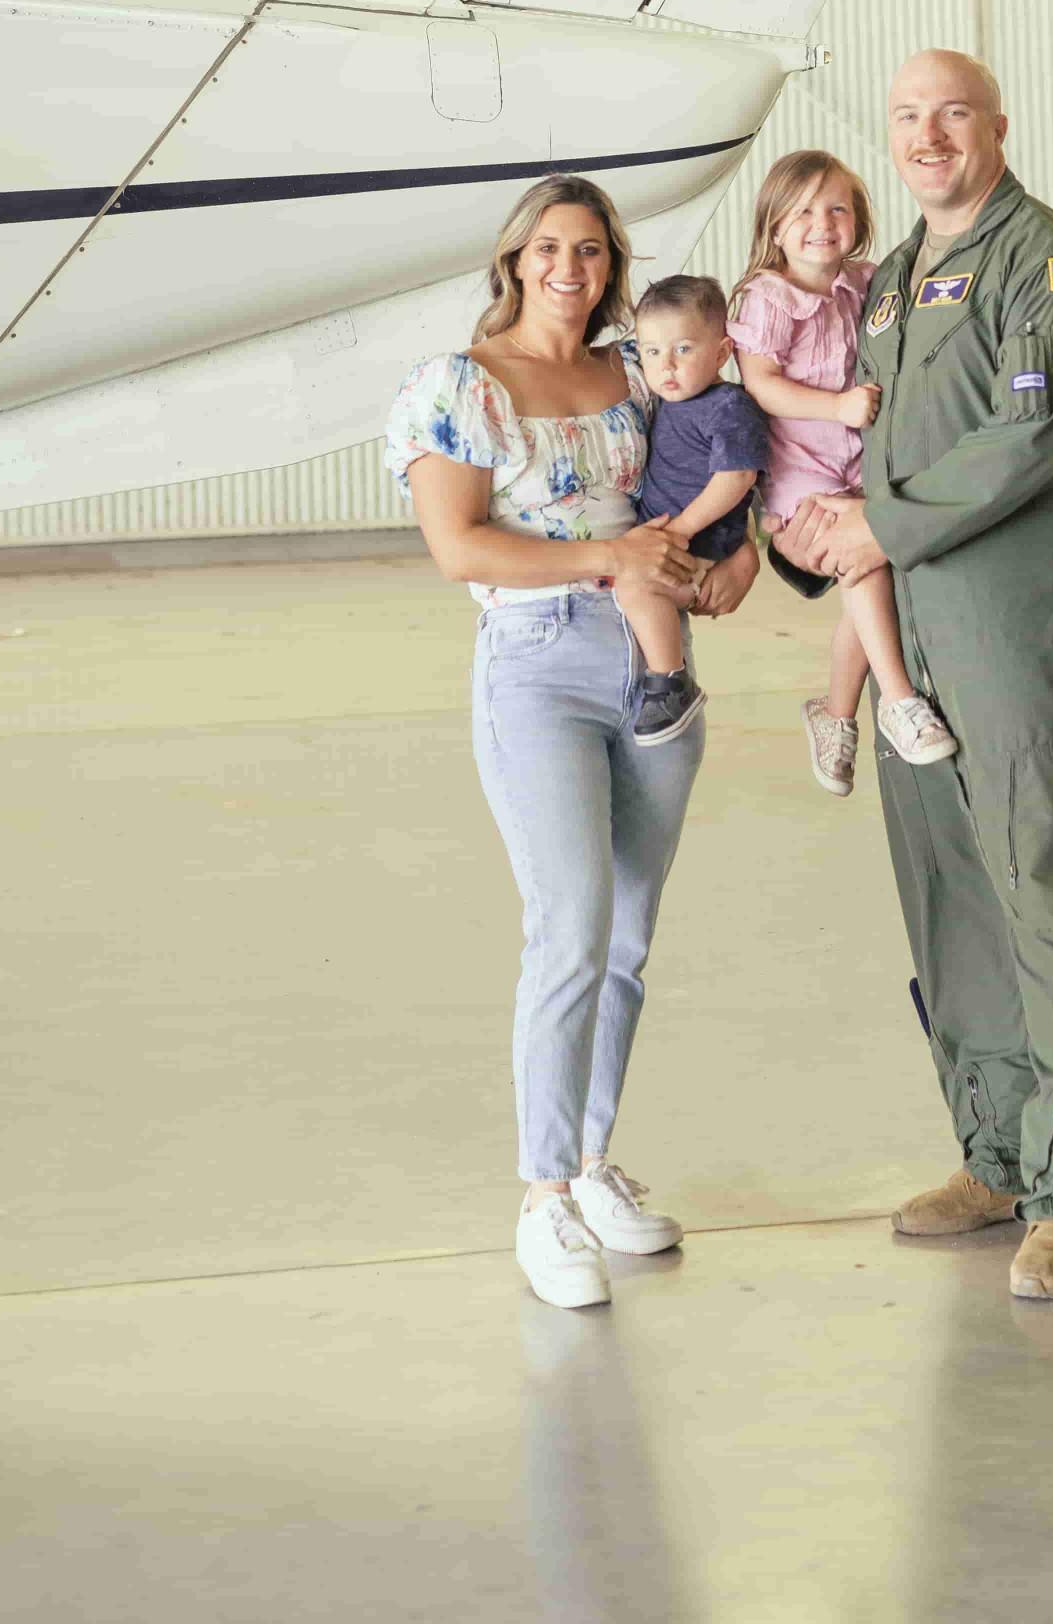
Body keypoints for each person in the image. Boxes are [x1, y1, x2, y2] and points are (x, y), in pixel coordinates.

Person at [788, 52, 1053, 1305]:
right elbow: (854, 431)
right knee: (949, 886)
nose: (926, 135)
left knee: (1048, 875)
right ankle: (994, 1155)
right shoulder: (890, 285)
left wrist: (882, 526)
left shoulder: (1049, 262)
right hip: (908, 626)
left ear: (996, 125)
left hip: (1011, 605)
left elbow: (1032, 435)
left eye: (950, 113)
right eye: (904, 117)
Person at [386, 175, 757, 1313]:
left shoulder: (632, 372)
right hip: (537, 662)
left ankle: (594, 1168)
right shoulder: (458, 385)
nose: (570, 268)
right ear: (513, 259)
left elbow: (708, 473)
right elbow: (461, 547)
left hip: (651, 661)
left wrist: (733, 564)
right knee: (571, 929)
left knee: (630, 933)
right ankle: (542, 1197)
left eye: (591, 251)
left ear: (612, 267)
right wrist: (609, 563)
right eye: (549, 247)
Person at [726, 149, 958, 793]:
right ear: (774, 227)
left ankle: (834, 714)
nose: (821, 223)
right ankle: (898, 699)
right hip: (802, 470)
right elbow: (763, 385)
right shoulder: (767, 297)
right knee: (863, 561)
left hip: (859, 461)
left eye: (837, 208)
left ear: (858, 219)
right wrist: (837, 405)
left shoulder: (866, 280)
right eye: (802, 211)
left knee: (872, 571)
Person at [614, 273, 768, 748]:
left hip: (699, 543)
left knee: (636, 587)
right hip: (675, 536)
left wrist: (681, 530)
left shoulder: (727, 406)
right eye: (653, 352)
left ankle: (670, 682)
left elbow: (737, 478)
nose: (667, 366)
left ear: (722, 353)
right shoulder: (668, 402)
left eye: (684, 349)